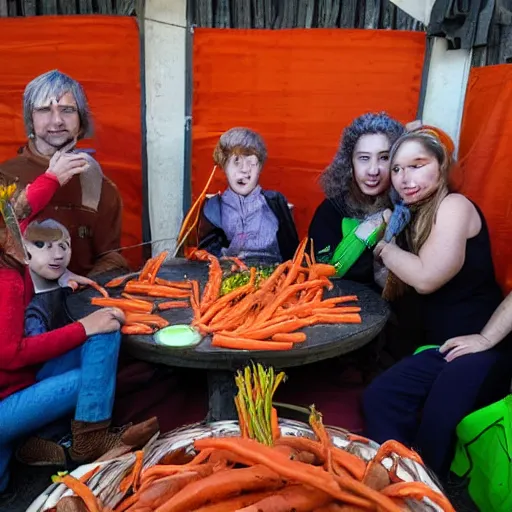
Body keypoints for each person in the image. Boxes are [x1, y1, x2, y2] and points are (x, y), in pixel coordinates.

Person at [362, 126, 512, 479]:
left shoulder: (454, 206)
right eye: (397, 169)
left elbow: (427, 278)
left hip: (482, 346)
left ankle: (430, 492)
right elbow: (393, 284)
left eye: (417, 165)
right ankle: (397, 479)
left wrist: (382, 247)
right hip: (441, 348)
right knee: (379, 397)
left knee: (440, 416)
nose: (403, 178)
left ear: (442, 166)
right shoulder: (411, 214)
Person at [0, 158, 156, 495]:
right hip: (6, 407)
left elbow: (26, 205)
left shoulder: (12, 246)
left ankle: (57, 439)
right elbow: (10, 355)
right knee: (92, 374)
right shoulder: (6, 279)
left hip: (23, 384)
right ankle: (76, 439)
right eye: (15, 223)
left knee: (108, 322)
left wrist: (53, 176)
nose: (22, 222)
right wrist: (83, 327)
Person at [0, 69, 128, 276]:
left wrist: (79, 295)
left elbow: (110, 256)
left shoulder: (99, 185)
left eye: (67, 110)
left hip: (81, 301)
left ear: (81, 121)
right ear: (30, 120)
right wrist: (49, 181)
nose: (57, 120)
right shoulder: (4, 177)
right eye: (44, 110)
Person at [309, 112, 404, 288]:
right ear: (349, 163)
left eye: (384, 157)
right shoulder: (331, 210)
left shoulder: (407, 210)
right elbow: (317, 271)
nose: (373, 170)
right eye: (364, 158)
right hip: (334, 305)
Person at [198, 127, 299, 263]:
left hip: (276, 279)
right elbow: (205, 257)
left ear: (260, 167)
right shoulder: (213, 208)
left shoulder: (275, 202)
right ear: (223, 165)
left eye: (251, 162)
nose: (244, 170)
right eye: (236, 162)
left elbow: (292, 253)